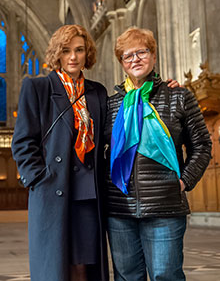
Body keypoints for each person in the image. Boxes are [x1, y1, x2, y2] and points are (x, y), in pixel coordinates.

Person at [104, 27, 212, 281]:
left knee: (166, 275)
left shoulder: (179, 96)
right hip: (120, 210)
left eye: (142, 52)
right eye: (127, 56)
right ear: (121, 63)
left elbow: (203, 145)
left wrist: (185, 181)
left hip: (165, 206)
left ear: (153, 56)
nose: (135, 59)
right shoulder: (111, 105)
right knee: (128, 277)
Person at [11, 24, 109, 281]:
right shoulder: (38, 88)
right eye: (66, 51)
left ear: (88, 54)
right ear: (57, 53)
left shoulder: (97, 92)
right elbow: (22, 142)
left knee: (85, 265)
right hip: (54, 189)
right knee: (57, 267)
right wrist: (38, 180)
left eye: (79, 50)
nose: (73, 57)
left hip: (88, 194)